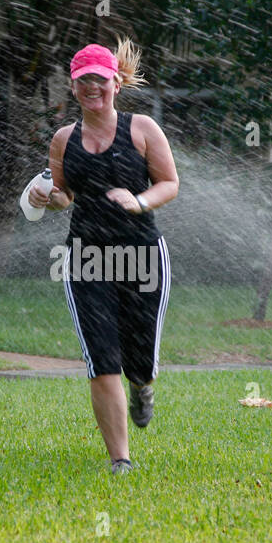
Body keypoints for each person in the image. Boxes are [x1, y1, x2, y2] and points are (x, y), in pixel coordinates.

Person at [29, 39, 179, 474]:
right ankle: (121, 459)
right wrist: (45, 197)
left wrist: (138, 201)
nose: (92, 86)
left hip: (143, 258)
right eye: (83, 80)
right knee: (101, 359)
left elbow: (170, 183)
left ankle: (143, 385)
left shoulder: (143, 129)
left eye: (100, 78)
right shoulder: (63, 139)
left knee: (142, 359)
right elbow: (65, 198)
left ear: (116, 82)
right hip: (86, 259)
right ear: (73, 88)